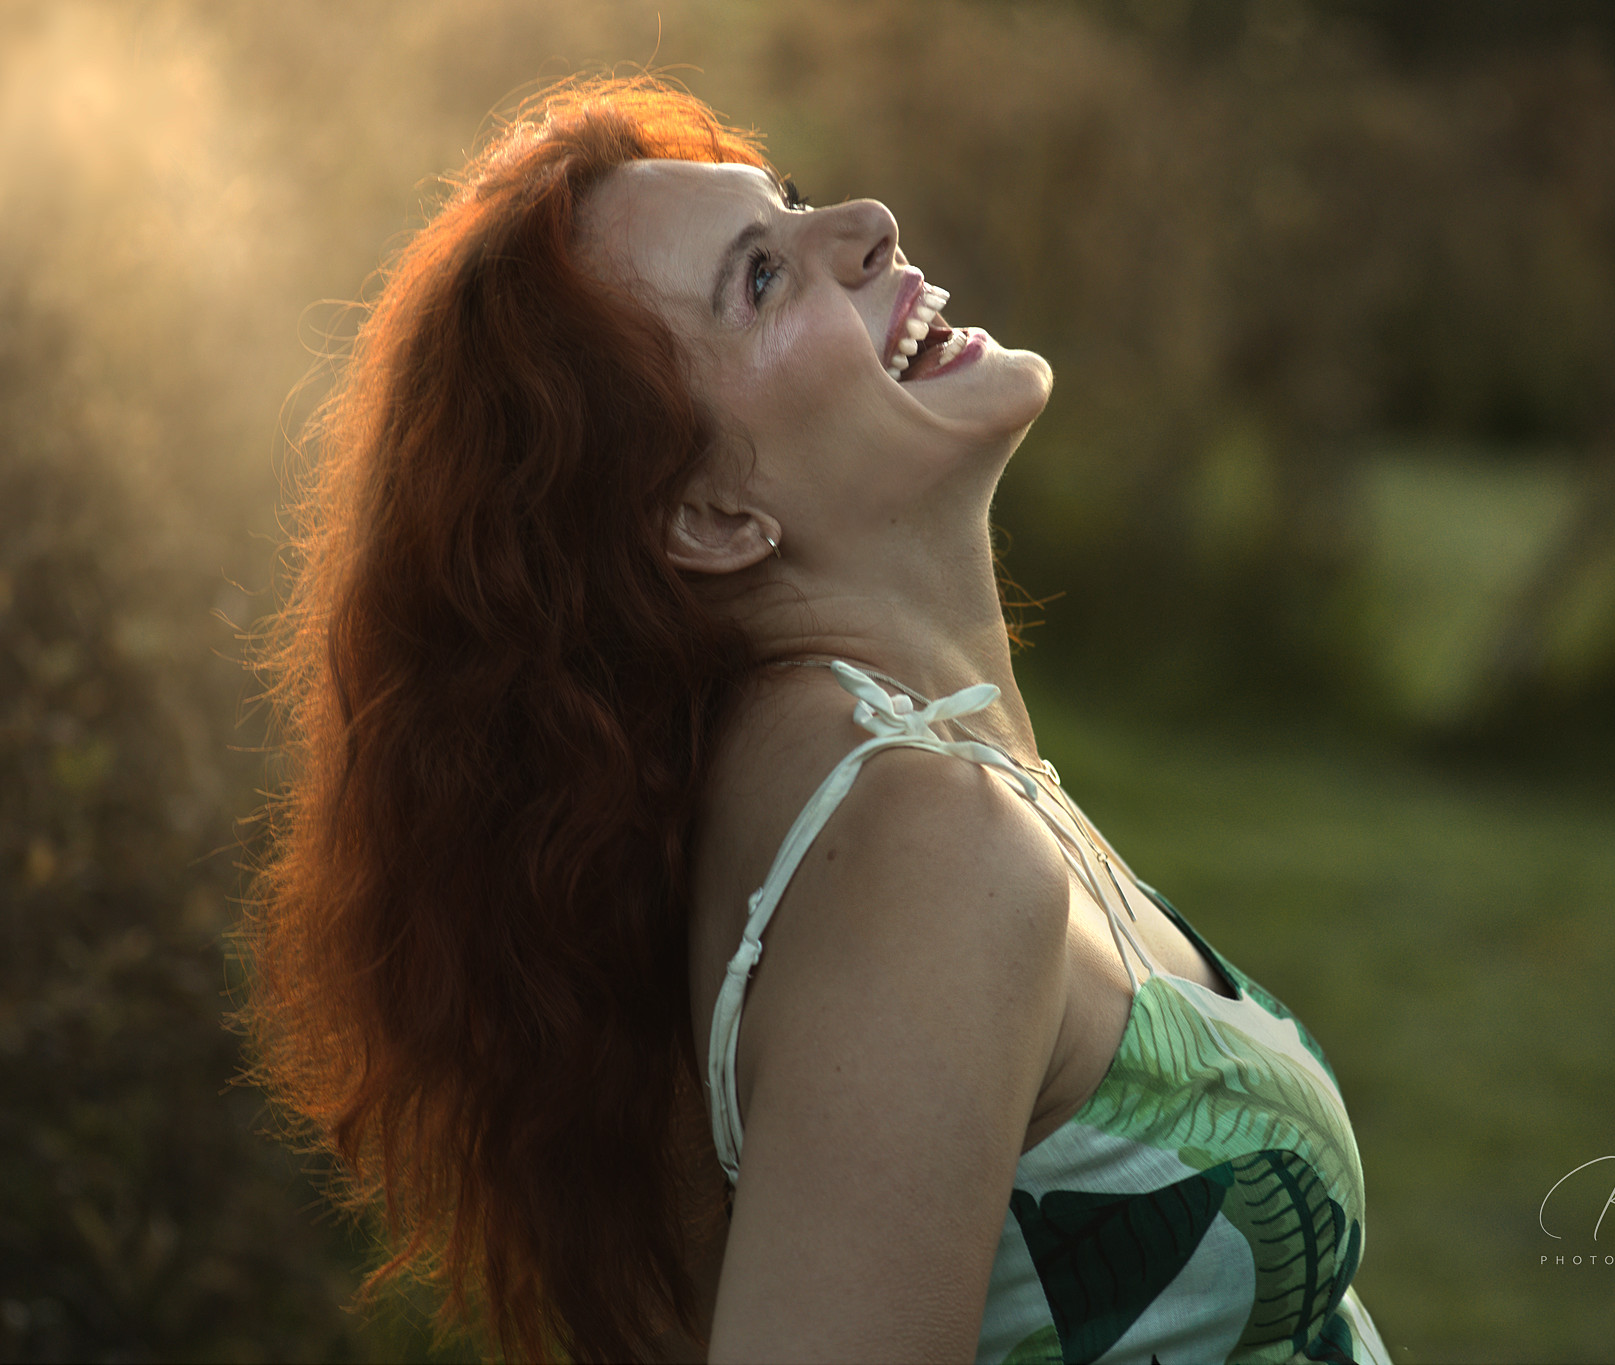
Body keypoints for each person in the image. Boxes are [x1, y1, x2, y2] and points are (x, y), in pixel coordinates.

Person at [244, 75, 1393, 1364]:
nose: (868, 222)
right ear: (710, 518)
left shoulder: (838, 764)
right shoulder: (923, 855)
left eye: (784, 205)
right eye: (760, 279)